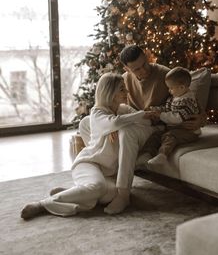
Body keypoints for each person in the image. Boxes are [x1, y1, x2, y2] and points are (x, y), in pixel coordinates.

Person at [79, 45, 206, 214]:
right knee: (86, 123)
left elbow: (188, 97)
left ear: (146, 56)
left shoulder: (164, 74)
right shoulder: (124, 80)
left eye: (144, 64)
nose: (143, 70)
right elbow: (119, 109)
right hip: (132, 120)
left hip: (155, 127)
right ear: (127, 69)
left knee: (127, 132)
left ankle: (123, 193)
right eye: (136, 69)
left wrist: (201, 120)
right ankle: (107, 167)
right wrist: (110, 128)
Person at [21, 72, 151, 220]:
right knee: (97, 187)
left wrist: (130, 121)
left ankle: (74, 192)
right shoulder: (97, 112)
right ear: (110, 92)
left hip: (108, 172)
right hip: (90, 163)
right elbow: (115, 122)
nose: (127, 92)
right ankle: (43, 204)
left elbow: (146, 122)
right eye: (122, 89)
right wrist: (138, 116)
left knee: (110, 196)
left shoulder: (124, 110)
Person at [140, 67, 201, 167]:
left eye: (171, 88)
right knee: (156, 135)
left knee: (169, 137)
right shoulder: (174, 98)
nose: (169, 91)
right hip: (175, 129)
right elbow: (167, 108)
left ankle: (162, 155)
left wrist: (160, 115)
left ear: (181, 87)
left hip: (189, 132)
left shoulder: (188, 101)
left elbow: (177, 118)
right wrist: (156, 109)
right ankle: (146, 155)